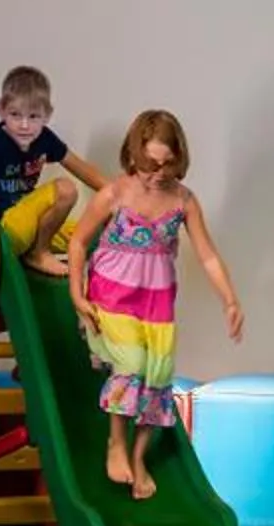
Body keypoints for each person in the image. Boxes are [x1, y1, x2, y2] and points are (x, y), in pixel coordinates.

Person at [68, 109, 245, 497]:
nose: (158, 174)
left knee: (157, 377)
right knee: (130, 366)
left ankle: (138, 454)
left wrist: (229, 300)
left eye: (167, 164)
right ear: (133, 156)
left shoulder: (183, 201)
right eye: (149, 164)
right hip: (112, 296)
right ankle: (116, 441)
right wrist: (77, 292)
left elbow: (208, 255)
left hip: (157, 304)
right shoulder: (114, 194)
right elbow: (79, 241)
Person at [0, 65, 107, 275]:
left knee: (84, 233)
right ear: (1, 110)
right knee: (66, 189)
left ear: (47, 115)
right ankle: (39, 253)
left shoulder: (44, 138)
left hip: (26, 227)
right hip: (0, 231)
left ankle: (38, 249)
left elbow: (80, 167)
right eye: (15, 115)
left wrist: (117, 194)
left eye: (34, 116)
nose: (24, 125)